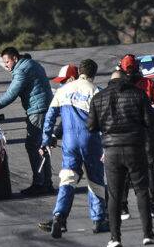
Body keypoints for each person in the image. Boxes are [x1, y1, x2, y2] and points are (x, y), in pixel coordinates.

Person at [87, 69, 154, 247]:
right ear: (126, 79)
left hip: (111, 150)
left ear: (110, 80)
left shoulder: (99, 98)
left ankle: (115, 238)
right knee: (141, 190)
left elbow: (91, 126)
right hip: (135, 147)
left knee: (114, 194)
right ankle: (147, 234)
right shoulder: (139, 94)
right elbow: (150, 121)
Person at [39, 59, 108, 237]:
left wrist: (46, 140)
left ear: (79, 71)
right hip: (91, 142)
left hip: (69, 143)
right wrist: (107, 145)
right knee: (95, 182)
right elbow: (105, 123)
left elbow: (50, 117)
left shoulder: (63, 91)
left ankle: (59, 216)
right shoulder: (97, 92)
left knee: (67, 180)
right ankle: (99, 220)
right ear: (94, 74)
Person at [0, 46, 55, 195]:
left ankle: (40, 182)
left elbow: (11, 94)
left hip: (37, 110)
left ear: (15, 59)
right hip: (44, 108)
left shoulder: (21, 70)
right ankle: (47, 182)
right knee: (42, 145)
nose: (6, 65)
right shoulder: (31, 64)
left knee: (33, 145)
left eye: (7, 62)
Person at [117, 55, 154, 219]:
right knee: (147, 169)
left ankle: (124, 207)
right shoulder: (148, 84)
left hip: (125, 133)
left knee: (125, 169)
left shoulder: (117, 86)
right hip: (145, 132)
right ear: (137, 67)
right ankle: (151, 206)